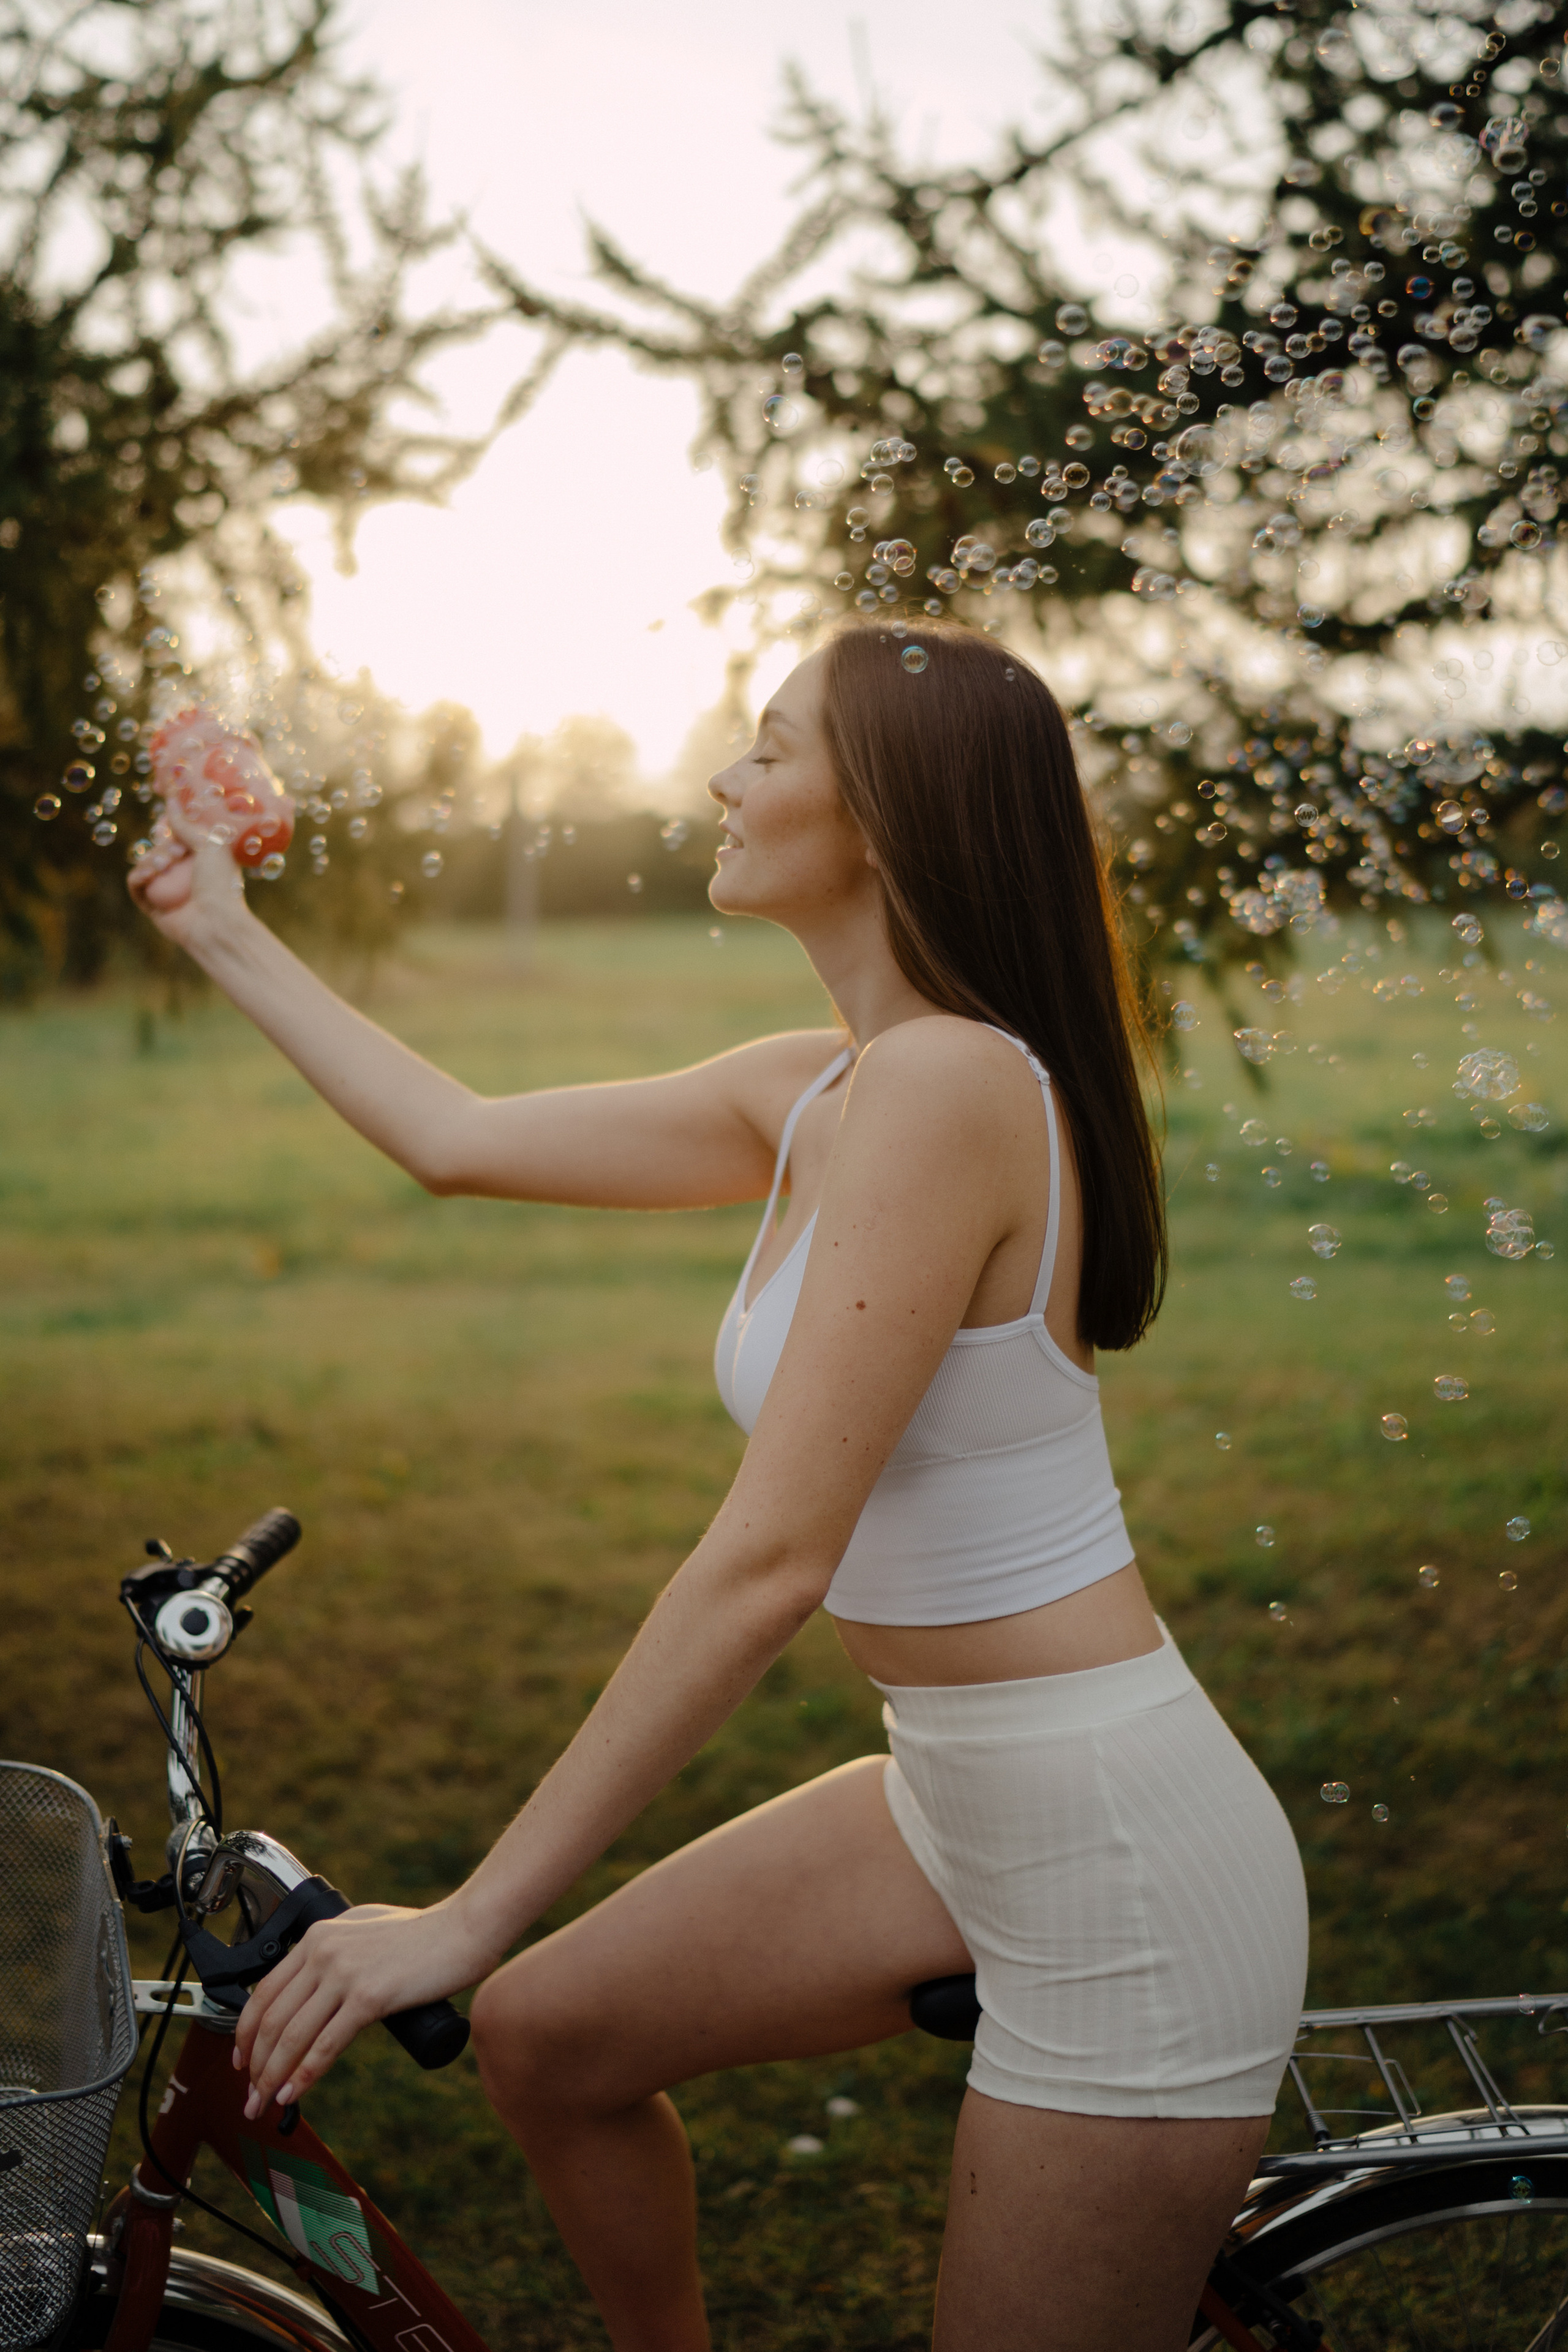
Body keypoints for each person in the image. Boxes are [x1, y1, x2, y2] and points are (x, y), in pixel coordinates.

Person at [130, 620, 1308, 2352]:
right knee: (551, 2042)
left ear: (885, 819)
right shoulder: (823, 1086)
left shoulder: (950, 1087)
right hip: (949, 1799)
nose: (722, 778)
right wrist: (221, 928)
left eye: (767, 747)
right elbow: (457, 1139)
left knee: (509, 1981)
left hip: (1113, 1867)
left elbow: (768, 1564)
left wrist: (464, 1913)